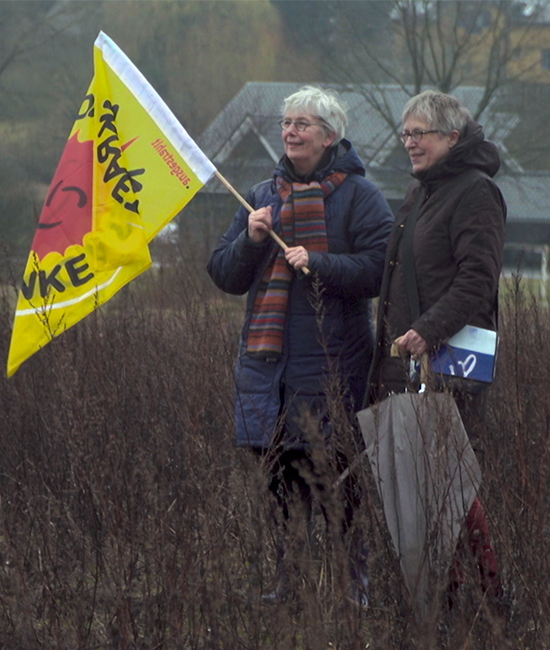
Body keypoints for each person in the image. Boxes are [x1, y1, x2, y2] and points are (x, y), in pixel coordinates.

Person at [207, 86, 393, 606]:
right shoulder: (260, 196)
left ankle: (351, 588)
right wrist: (249, 239)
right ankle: (288, 586)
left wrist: (321, 263)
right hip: (268, 371)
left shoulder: (361, 197)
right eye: (286, 123)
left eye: (303, 124)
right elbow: (223, 275)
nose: (290, 132)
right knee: (280, 485)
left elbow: (380, 270)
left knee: (342, 481)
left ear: (330, 135)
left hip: (336, 367)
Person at [367, 90, 507, 609]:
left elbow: (477, 280)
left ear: (452, 137)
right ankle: (441, 599)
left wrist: (429, 329)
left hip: (452, 364)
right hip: (407, 364)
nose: (409, 143)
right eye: (405, 134)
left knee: (453, 483)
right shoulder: (419, 193)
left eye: (419, 133)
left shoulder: (475, 193)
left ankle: (490, 596)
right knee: (422, 485)